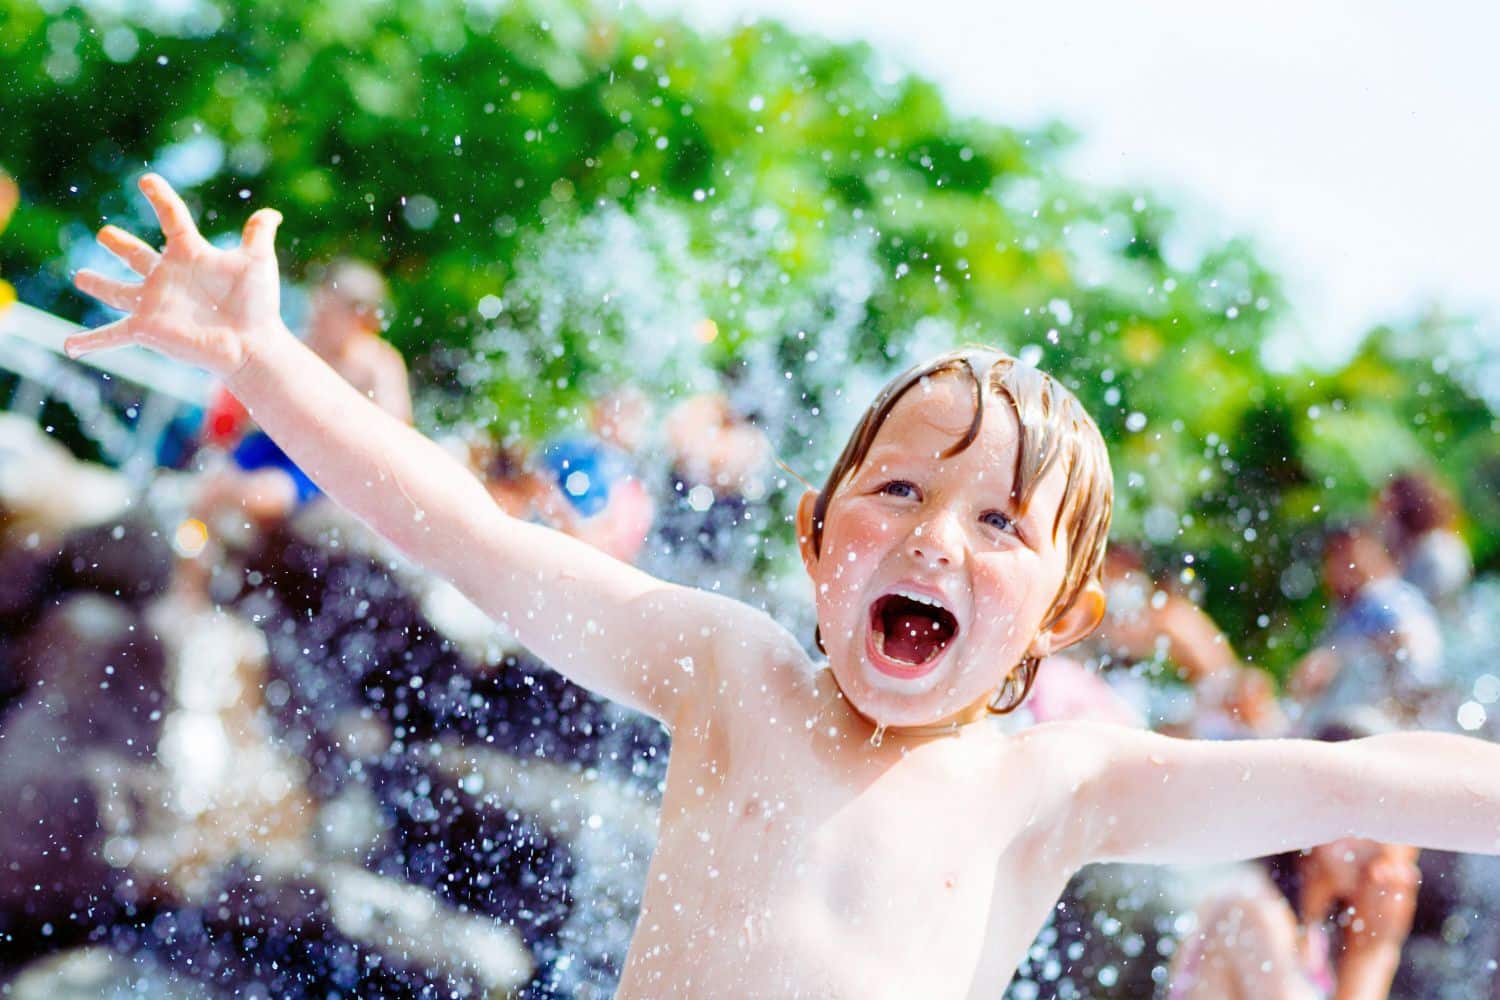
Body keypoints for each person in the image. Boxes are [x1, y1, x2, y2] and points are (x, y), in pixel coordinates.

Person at [66, 175, 1500, 998]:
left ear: (1064, 616)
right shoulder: (727, 672)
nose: (937, 535)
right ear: (817, 539)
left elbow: (1360, 775)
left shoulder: (1059, 786)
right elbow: (468, 535)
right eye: (899, 492)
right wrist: (267, 362)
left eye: (1001, 521)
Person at [1169, 716, 1423, 999]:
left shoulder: (1312, 935)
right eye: (1369, 818)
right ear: (1314, 806)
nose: (1383, 846)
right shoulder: (1251, 910)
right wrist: (1373, 954)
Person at [1291, 523, 1446, 731]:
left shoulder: (1384, 595)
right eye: (1334, 557)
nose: (1341, 566)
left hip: (1388, 719)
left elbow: (1415, 646)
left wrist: (1338, 659)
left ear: (1375, 554)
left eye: (1348, 556)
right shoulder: (1349, 610)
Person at [1378, 471, 1472, 610]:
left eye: (1387, 511)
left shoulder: (1436, 554)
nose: (1382, 520)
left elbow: (1415, 606)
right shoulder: (1424, 548)